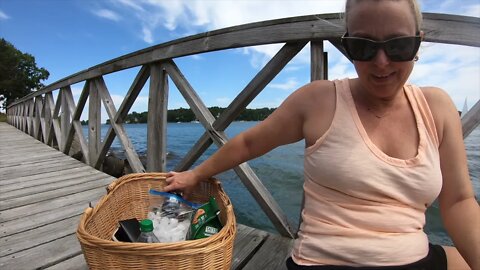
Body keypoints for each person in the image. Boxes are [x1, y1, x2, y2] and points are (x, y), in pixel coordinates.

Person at [163, 0, 480, 269]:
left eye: (398, 46)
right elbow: (248, 142)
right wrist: (194, 174)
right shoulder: (318, 100)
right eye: (363, 47)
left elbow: (460, 201)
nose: (381, 62)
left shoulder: (436, 107)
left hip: (412, 254)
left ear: (418, 42)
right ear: (347, 45)